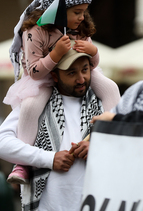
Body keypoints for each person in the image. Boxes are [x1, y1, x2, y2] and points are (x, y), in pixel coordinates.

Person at [3, 0, 120, 184]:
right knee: (30, 106)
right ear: (57, 12)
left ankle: (109, 134)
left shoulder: (80, 28)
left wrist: (93, 52)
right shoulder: (34, 32)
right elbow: (34, 71)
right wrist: (55, 55)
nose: (82, 17)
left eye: (84, 11)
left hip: (77, 69)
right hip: (42, 79)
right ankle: (22, 164)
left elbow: (91, 65)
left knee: (110, 87)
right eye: (77, 12)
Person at [0, 47, 104, 211]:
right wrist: (49, 159)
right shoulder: (34, 105)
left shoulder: (105, 104)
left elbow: (129, 149)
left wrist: (99, 148)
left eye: (85, 69)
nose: (81, 79)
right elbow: (2, 143)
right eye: (71, 73)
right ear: (55, 75)